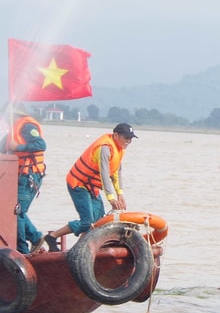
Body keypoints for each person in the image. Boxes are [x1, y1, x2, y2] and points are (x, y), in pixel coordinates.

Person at [38, 123, 138, 253]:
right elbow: (104, 174)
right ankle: (53, 237)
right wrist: (111, 198)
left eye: (131, 138)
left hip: (93, 186)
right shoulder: (105, 148)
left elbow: (116, 173)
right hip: (78, 184)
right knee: (87, 222)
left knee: (99, 223)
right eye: (126, 138)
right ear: (116, 135)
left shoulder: (120, 149)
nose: (129, 141)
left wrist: (120, 194)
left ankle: (78, 251)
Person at [4, 109, 47, 254]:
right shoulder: (12, 131)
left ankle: (22, 250)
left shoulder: (27, 126)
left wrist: (18, 147)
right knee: (14, 210)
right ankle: (35, 237)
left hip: (29, 176)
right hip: (19, 176)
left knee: (16, 211)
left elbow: (40, 144)